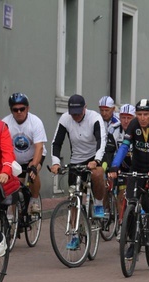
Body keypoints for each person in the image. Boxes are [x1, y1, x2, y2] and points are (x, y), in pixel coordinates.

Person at [109, 99, 149, 259]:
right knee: (131, 203)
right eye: (139, 114)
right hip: (138, 167)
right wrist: (114, 166)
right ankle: (133, 242)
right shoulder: (133, 125)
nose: (142, 118)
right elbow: (124, 146)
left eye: (146, 114)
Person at [49, 94, 108, 241]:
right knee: (73, 198)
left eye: (78, 113)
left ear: (85, 108)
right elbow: (56, 143)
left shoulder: (94, 118)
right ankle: (74, 234)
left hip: (95, 156)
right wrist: (56, 162)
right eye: (72, 113)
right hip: (77, 160)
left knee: (97, 174)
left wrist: (97, 160)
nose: (75, 116)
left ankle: (99, 204)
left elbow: (102, 141)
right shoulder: (65, 119)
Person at [2, 92, 47, 213]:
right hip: (16, 159)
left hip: (34, 155)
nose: (19, 112)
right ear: (11, 110)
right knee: (15, 187)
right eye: (15, 110)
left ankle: (34, 200)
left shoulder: (36, 122)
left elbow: (39, 147)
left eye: (22, 109)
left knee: (33, 172)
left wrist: (33, 165)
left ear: (28, 108)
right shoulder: (5, 123)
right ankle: (16, 218)